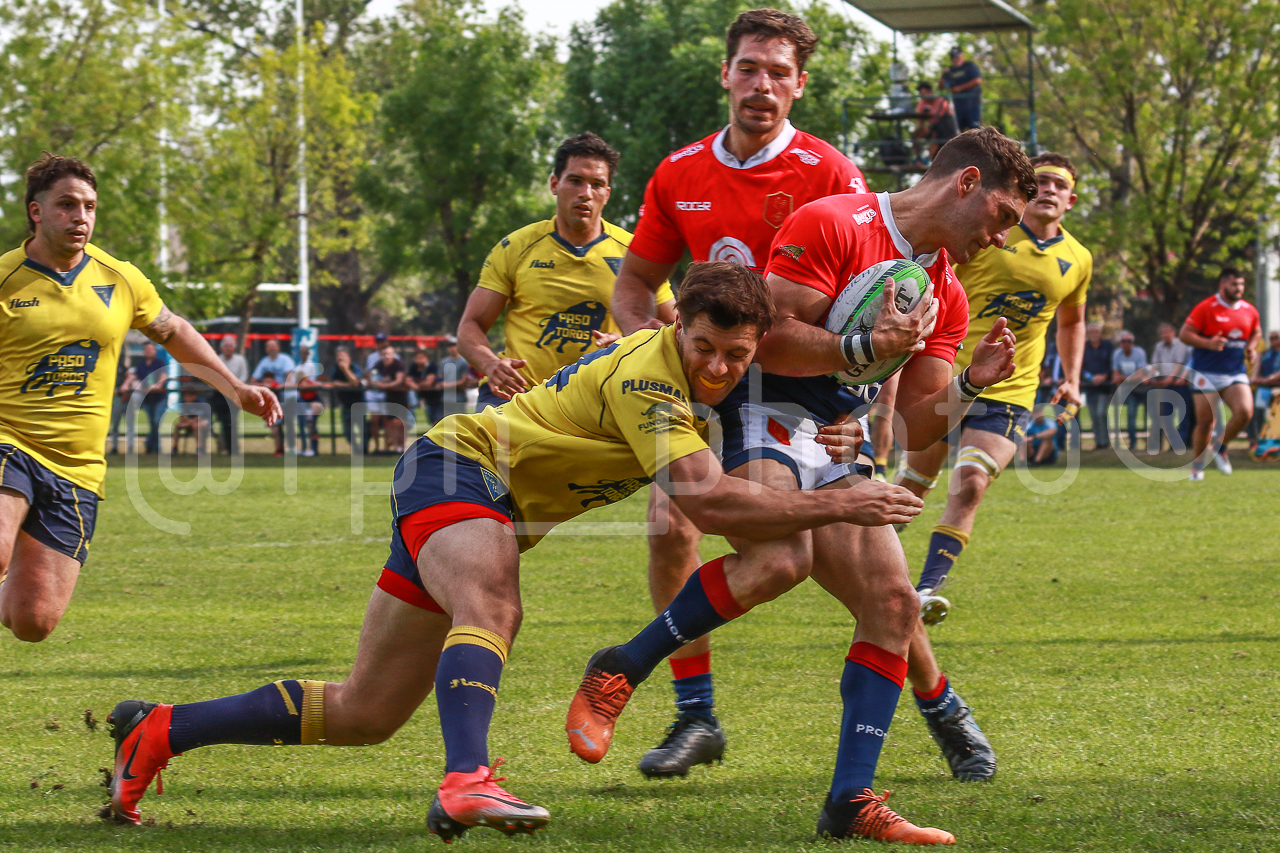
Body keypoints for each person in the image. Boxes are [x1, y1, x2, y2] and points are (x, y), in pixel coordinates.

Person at [100, 263, 922, 838]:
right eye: (705, 346)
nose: (717, 367)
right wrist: (849, 496)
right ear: (679, 324)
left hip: (481, 497)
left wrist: (838, 425)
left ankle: (161, 731)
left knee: (364, 712)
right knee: (493, 602)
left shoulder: (727, 376)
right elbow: (705, 497)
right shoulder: (652, 377)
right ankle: (466, 781)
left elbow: (777, 438)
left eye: (735, 356)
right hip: (458, 468)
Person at [568, 128, 1033, 844]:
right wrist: (863, 347)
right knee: (781, 560)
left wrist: (971, 383)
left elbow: (915, 422)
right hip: (755, 405)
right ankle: (622, 667)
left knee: (893, 602)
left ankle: (850, 800)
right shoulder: (837, 220)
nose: (1000, 239)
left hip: (830, 432)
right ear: (965, 184)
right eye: (1002, 215)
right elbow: (769, 337)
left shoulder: (946, 291)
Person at [608, 8, 868, 778]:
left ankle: (939, 702)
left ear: (800, 85)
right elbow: (632, 286)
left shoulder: (831, 173)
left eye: (779, 73)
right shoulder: (678, 172)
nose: (762, 85)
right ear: (725, 73)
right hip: (708, 385)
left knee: (863, 575)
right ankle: (695, 714)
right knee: (668, 523)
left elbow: (866, 310)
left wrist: (862, 406)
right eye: (749, 68)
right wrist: (649, 361)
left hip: (803, 397)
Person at [0, 152, 280, 643]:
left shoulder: (121, 278)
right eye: (66, 204)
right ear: (36, 211)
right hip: (9, 441)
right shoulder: (5, 279)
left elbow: (173, 330)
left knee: (33, 621)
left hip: (77, 467)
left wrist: (233, 387)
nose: (80, 216)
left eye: (88, 206)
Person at [895, 151, 1089, 642]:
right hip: (947, 372)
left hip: (1012, 388)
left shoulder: (1079, 259)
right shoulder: (990, 231)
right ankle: (856, 556)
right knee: (911, 489)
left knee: (971, 482)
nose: (1047, 190)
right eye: (1038, 182)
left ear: (1071, 198)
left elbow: (1072, 320)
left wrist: (1072, 377)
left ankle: (924, 591)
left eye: (1057, 185)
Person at [458, 133, 675, 409]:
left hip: (599, 402)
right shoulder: (515, 247)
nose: (586, 193)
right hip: (518, 396)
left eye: (597, 185)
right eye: (575, 181)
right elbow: (470, 326)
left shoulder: (635, 251)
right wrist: (490, 364)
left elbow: (675, 329)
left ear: (607, 195)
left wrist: (629, 343)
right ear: (554, 184)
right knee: (469, 449)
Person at [1181, 266, 1262, 479]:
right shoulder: (1206, 307)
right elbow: (1185, 334)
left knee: (1245, 412)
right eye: (1235, 284)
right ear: (1223, 284)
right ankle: (1197, 466)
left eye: (1242, 284)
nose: (1239, 288)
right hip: (1205, 372)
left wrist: (1251, 347)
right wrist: (1208, 343)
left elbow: (1256, 331)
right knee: (1206, 422)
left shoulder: (1249, 310)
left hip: (1234, 372)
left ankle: (1220, 447)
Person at [1149, 321, 1194, 450]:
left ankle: (1181, 443)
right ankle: (1174, 442)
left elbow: (1179, 364)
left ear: (1173, 333)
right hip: (1166, 386)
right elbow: (1155, 365)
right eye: (1163, 333)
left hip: (1180, 385)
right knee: (1166, 416)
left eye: (1168, 332)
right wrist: (1149, 376)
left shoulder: (1180, 345)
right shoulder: (1159, 347)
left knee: (1183, 416)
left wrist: (1170, 378)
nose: (1166, 335)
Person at [252, 339, 296, 456]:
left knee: (288, 424)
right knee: (275, 425)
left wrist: (278, 386)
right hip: (272, 399)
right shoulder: (264, 362)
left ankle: (291, 449)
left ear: (278, 348)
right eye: (269, 346)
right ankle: (279, 449)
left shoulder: (285, 360)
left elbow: (290, 379)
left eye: (273, 346)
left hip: (287, 397)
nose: (271, 348)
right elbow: (253, 380)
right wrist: (263, 385)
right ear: (266, 349)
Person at [209, 334, 248, 454]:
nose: (228, 348)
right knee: (218, 420)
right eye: (226, 346)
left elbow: (244, 376)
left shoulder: (240, 360)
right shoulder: (216, 360)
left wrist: (234, 386)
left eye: (230, 346)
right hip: (219, 395)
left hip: (234, 395)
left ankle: (233, 448)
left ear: (234, 347)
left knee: (231, 421)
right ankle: (223, 445)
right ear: (222, 348)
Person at [1110, 330, 1149, 449]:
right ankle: (1132, 443)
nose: (1126, 343)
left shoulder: (1139, 353)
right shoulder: (1117, 354)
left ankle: (1153, 442)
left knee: (1152, 415)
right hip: (1130, 391)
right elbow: (1115, 373)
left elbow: (1140, 375)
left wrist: (1123, 378)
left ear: (1133, 342)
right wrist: (1120, 378)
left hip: (1144, 388)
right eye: (1123, 341)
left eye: (1129, 341)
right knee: (1131, 415)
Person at [370, 344, 408, 454]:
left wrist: (383, 385)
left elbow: (399, 381)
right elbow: (373, 377)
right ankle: (395, 446)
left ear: (393, 355)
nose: (385, 356)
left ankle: (402, 445)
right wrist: (377, 383)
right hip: (389, 397)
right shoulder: (379, 364)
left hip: (400, 397)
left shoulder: (398, 364)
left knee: (400, 423)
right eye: (383, 354)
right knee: (390, 423)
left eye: (388, 354)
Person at [1081, 323, 1115, 449]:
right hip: (1090, 386)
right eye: (1091, 331)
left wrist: (1104, 376)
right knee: (1093, 415)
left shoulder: (1108, 346)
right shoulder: (1084, 347)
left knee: (1101, 413)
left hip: (1104, 387)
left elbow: (1112, 363)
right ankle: (1098, 442)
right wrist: (1090, 377)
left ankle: (1105, 441)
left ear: (1100, 333)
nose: (1094, 334)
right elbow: (1080, 365)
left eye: (1096, 331)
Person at [134, 341, 168, 454]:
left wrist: (158, 385)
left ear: (155, 350)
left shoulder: (160, 363)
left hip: (159, 398)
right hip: (147, 398)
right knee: (152, 422)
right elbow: (135, 377)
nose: (148, 351)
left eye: (150, 349)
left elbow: (164, 376)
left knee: (156, 421)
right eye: (146, 349)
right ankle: (152, 446)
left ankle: (154, 446)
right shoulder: (141, 364)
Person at [327, 348, 364, 448]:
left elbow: (356, 382)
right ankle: (356, 448)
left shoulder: (354, 367)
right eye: (338, 357)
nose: (340, 359)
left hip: (359, 403)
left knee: (363, 429)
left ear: (349, 358)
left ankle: (364, 451)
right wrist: (349, 384)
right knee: (347, 431)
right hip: (346, 404)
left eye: (343, 357)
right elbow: (333, 383)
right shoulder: (335, 368)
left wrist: (346, 370)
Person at [1251, 331, 1280, 458]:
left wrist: (1268, 379)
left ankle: (1275, 444)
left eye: (1276, 338)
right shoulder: (1264, 354)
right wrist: (1260, 379)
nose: (1273, 340)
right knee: (1258, 416)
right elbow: (1255, 375)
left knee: (1275, 417)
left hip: (1277, 389)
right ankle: (1259, 443)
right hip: (1263, 389)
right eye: (1271, 338)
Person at [913, 82, 957, 162]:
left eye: (925, 93)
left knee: (935, 133)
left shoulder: (941, 102)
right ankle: (918, 157)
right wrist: (919, 129)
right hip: (931, 127)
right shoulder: (922, 104)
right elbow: (919, 120)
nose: (923, 95)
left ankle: (929, 158)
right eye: (921, 93)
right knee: (916, 134)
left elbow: (945, 117)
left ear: (930, 92)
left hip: (943, 128)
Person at [940, 46, 982, 131]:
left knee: (975, 130)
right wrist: (943, 77)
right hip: (957, 107)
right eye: (953, 57)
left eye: (957, 56)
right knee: (957, 131)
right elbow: (942, 86)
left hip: (972, 105)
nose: (956, 59)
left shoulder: (970, 66)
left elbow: (977, 80)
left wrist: (960, 88)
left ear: (962, 56)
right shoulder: (950, 71)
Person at [294, 343, 323, 457]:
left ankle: (314, 448)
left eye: (305, 352)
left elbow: (312, 383)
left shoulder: (310, 366)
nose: (303, 354)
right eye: (301, 352)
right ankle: (304, 447)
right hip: (302, 399)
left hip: (311, 400)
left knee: (311, 424)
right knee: (301, 424)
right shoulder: (298, 366)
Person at [107, 352, 139, 455]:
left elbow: (130, 376)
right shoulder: (109, 366)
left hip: (126, 397)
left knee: (130, 424)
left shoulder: (121, 365)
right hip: (117, 398)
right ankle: (114, 447)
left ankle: (130, 447)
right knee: (115, 425)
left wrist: (124, 386)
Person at [438, 340, 470, 420]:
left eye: (454, 346)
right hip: (446, 397)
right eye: (449, 346)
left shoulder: (463, 362)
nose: (452, 348)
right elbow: (440, 377)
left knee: (460, 421)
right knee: (447, 421)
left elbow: (464, 380)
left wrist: (447, 385)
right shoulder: (444, 362)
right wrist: (440, 383)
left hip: (458, 397)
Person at [406, 348, 437, 428]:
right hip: (418, 392)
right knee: (410, 396)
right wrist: (416, 386)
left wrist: (416, 385)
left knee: (431, 413)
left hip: (432, 394)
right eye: (417, 358)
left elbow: (428, 382)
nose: (419, 360)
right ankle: (410, 423)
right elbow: (408, 380)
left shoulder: (432, 366)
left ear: (426, 358)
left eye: (421, 357)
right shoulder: (413, 366)